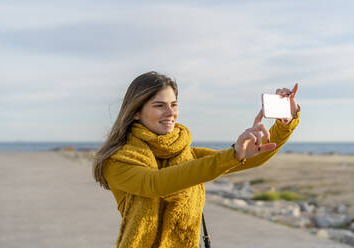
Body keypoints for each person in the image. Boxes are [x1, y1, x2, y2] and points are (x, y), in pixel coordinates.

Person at [92, 71, 300, 248]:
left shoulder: (186, 153)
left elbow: (253, 159)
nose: (170, 113)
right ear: (136, 112)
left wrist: (284, 123)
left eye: (173, 104)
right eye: (159, 106)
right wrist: (233, 155)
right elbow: (154, 183)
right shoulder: (118, 159)